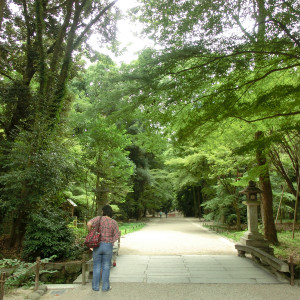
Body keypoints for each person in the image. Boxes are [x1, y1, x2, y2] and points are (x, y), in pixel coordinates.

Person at [87, 205, 120, 292]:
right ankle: (105, 287)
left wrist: (91, 232)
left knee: (97, 266)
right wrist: (111, 241)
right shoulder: (114, 222)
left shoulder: (98, 218)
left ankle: (95, 287)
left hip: (97, 245)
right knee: (106, 266)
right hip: (108, 246)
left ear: (104, 211)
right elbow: (117, 234)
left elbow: (89, 224)